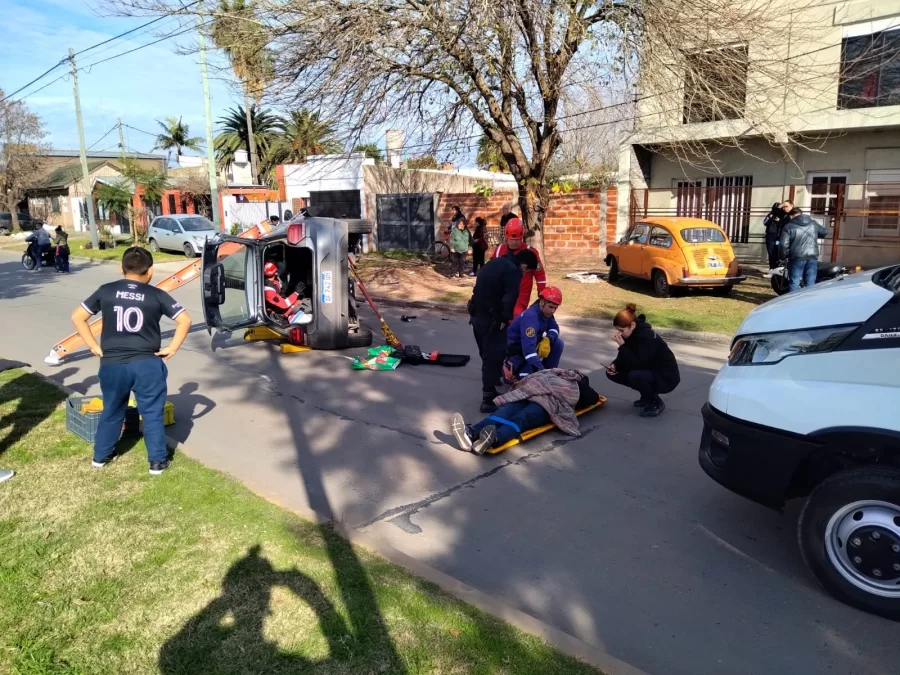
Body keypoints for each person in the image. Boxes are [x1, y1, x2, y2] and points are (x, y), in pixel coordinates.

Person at [70, 247, 192, 475]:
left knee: (112, 410)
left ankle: (100, 457)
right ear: (151, 271)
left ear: (121, 269)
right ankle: (157, 462)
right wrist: (171, 348)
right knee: (153, 413)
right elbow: (184, 319)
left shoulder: (106, 290)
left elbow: (78, 316)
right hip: (147, 364)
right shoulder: (157, 294)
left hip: (112, 364)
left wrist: (93, 346)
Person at [451, 369, 600, 454]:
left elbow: (592, 398)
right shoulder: (554, 372)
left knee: (522, 418)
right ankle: (471, 432)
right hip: (529, 394)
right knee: (504, 411)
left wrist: (580, 383)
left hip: (548, 403)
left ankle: (494, 439)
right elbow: (536, 377)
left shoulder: (578, 387)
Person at [468, 247, 539, 413]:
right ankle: (488, 398)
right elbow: (510, 299)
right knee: (494, 355)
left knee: (486, 353)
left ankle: (492, 382)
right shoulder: (513, 271)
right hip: (491, 320)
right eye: (527, 271)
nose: (525, 274)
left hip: (476, 316)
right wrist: (504, 319)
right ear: (524, 265)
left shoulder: (495, 262)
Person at [606, 303, 680, 418]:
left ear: (633, 325)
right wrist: (615, 365)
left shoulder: (647, 337)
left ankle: (655, 401)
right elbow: (626, 357)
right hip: (649, 370)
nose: (619, 334)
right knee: (612, 373)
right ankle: (646, 395)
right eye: (617, 330)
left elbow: (638, 362)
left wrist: (622, 346)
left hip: (666, 377)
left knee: (635, 375)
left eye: (621, 330)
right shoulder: (631, 335)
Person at [505, 286, 564, 382]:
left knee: (558, 343)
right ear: (541, 302)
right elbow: (529, 351)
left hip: (529, 347)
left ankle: (549, 372)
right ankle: (509, 371)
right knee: (527, 382)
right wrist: (541, 371)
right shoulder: (531, 318)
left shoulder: (545, 313)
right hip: (518, 353)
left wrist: (548, 339)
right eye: (550, 307)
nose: (552, 311)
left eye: (555, 308)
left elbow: (554, 328)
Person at [491, 218, 547, 317]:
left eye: (517, 239)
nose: (514, 242)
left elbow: (540, 274)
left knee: (517, 315)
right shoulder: (499, 250)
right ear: (506, 237)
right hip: (502, 291)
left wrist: (541, 291)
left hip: (522, 292)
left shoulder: (531, 253)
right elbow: (491, 270)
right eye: (511, 239)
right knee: (500, 316)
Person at [780, 207, 828, 293]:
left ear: (791, 216)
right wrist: (815, 234)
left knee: (794, 282)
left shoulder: (788, 226)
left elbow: (783, 244)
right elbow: (824, 232)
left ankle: (793, 302)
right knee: (810, 283)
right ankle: (808, 302)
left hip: (796, 257)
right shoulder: (813, 223)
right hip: (812, 256)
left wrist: (783, 256)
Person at [763, 200, 792, 272]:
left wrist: (779, 221)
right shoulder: (770, 214)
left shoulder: (784, 215)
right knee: (771, 252)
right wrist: (771, 217)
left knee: (778, 252)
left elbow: (785, 223)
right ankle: (772, 268)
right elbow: (765, 222)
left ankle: (777, 268)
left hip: (779, 235)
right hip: (770, 235)